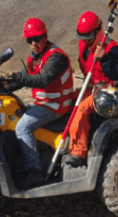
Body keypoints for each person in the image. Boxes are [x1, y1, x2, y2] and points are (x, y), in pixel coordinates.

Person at [8, 17, 74, 190]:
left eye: (37, 38)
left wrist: (19, 77)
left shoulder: (56, 57)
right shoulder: (34, 58)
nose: (34, 43)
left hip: (57, 106)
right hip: (44, 104)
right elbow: (21, 79)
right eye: (30, 40)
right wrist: (2, 83)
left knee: (22, 127)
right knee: (13, 115)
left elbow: (43, 80)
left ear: (45, 36)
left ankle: (34, 172)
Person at [62, 11, 118, 167]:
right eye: (82, 37)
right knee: (68, 99)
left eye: (88, 37)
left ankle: (78, 152)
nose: (85, 40)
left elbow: (116, 73)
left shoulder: (112, 49)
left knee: (82, 108)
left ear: (98, 31)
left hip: (106, 90)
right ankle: (66, 139)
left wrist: (105, 59)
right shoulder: (84, 44)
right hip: (90, 86)